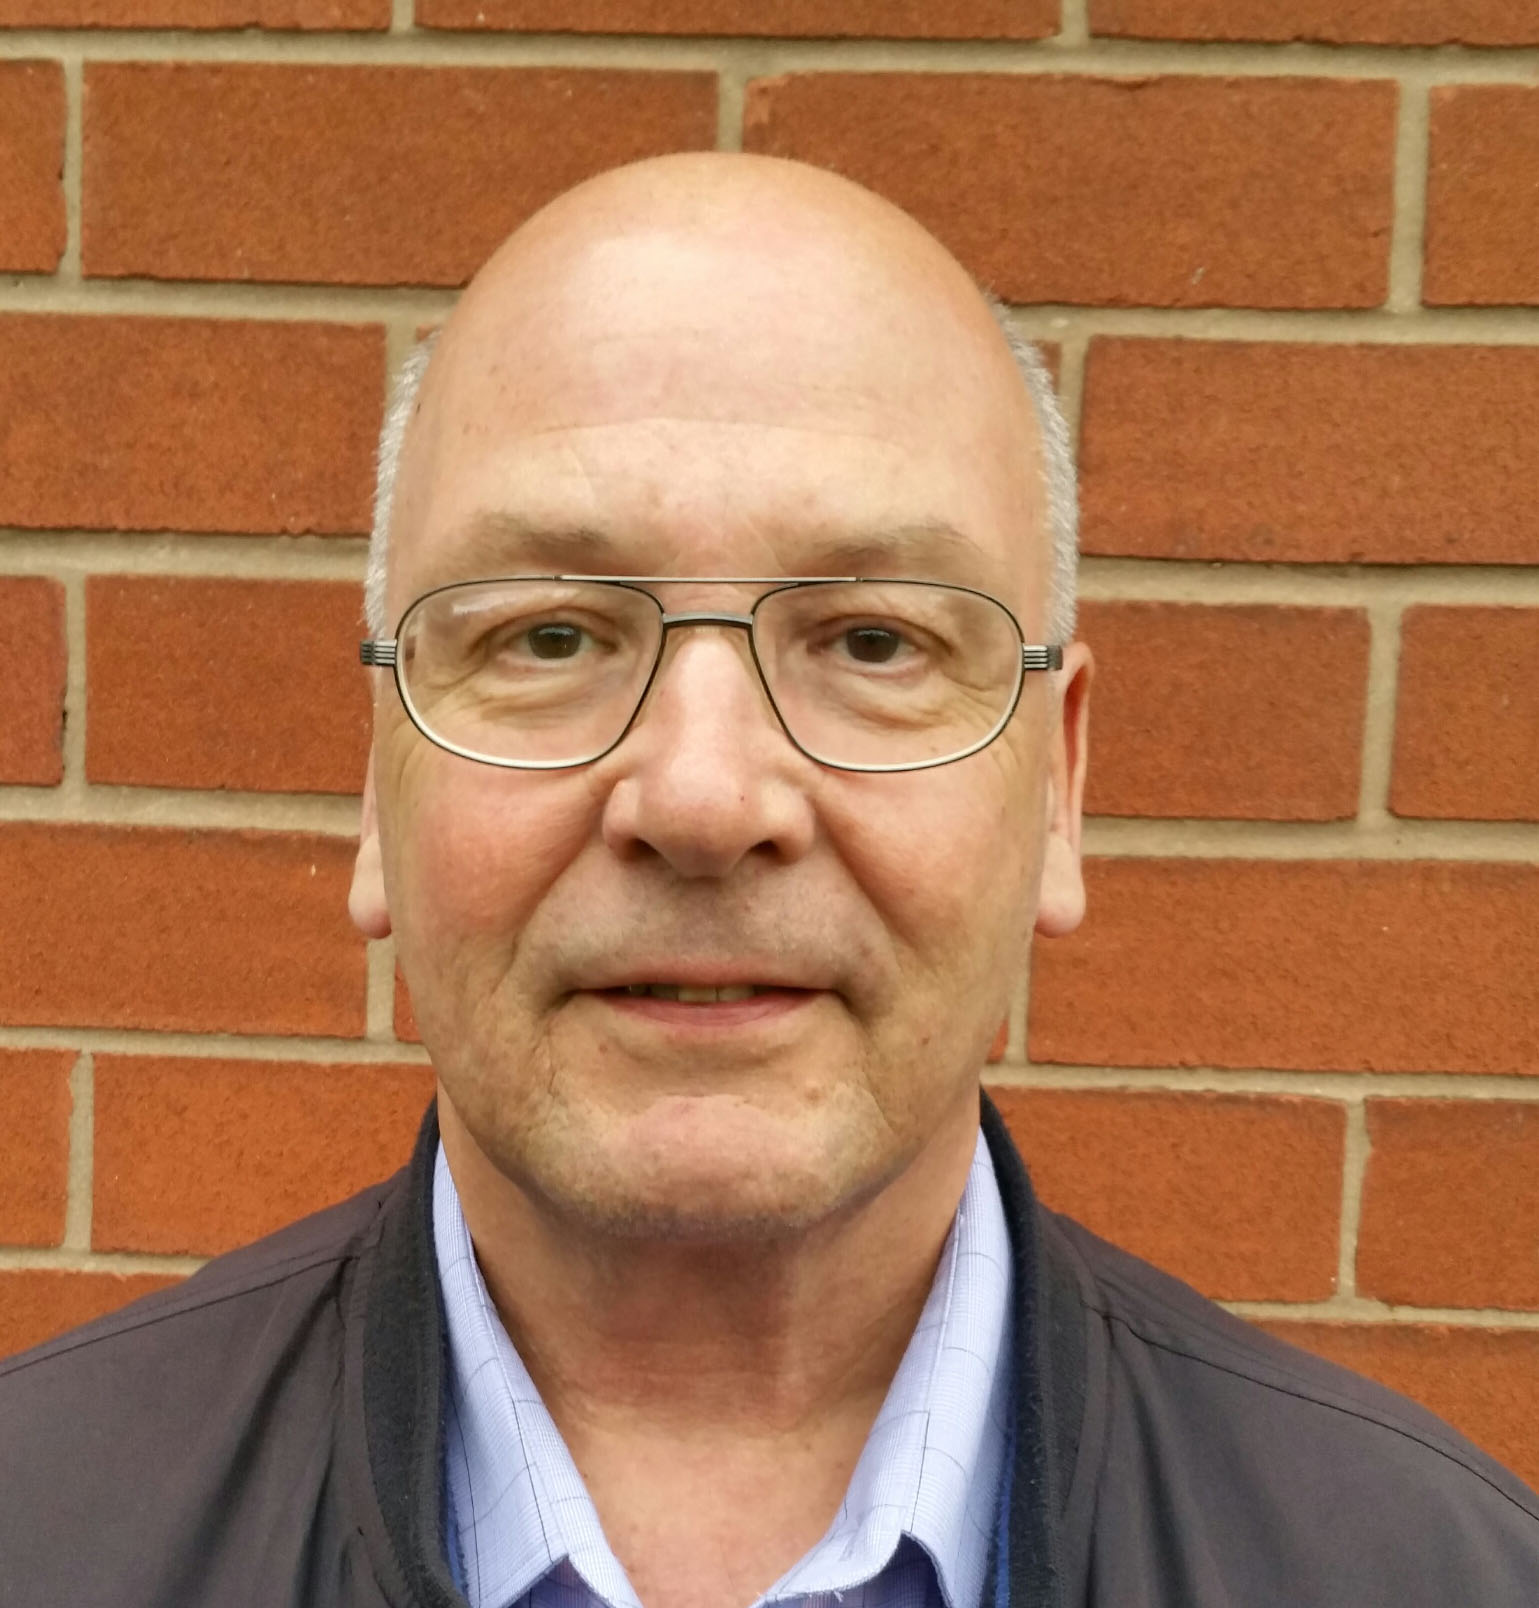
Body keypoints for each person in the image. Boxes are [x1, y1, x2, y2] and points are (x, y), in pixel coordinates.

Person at [1, 152, 1536, 1608]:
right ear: (376, 776)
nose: (703, 798)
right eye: (550, 635)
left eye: (875, 641)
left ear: (1057, 789)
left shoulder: (1441, 1575)